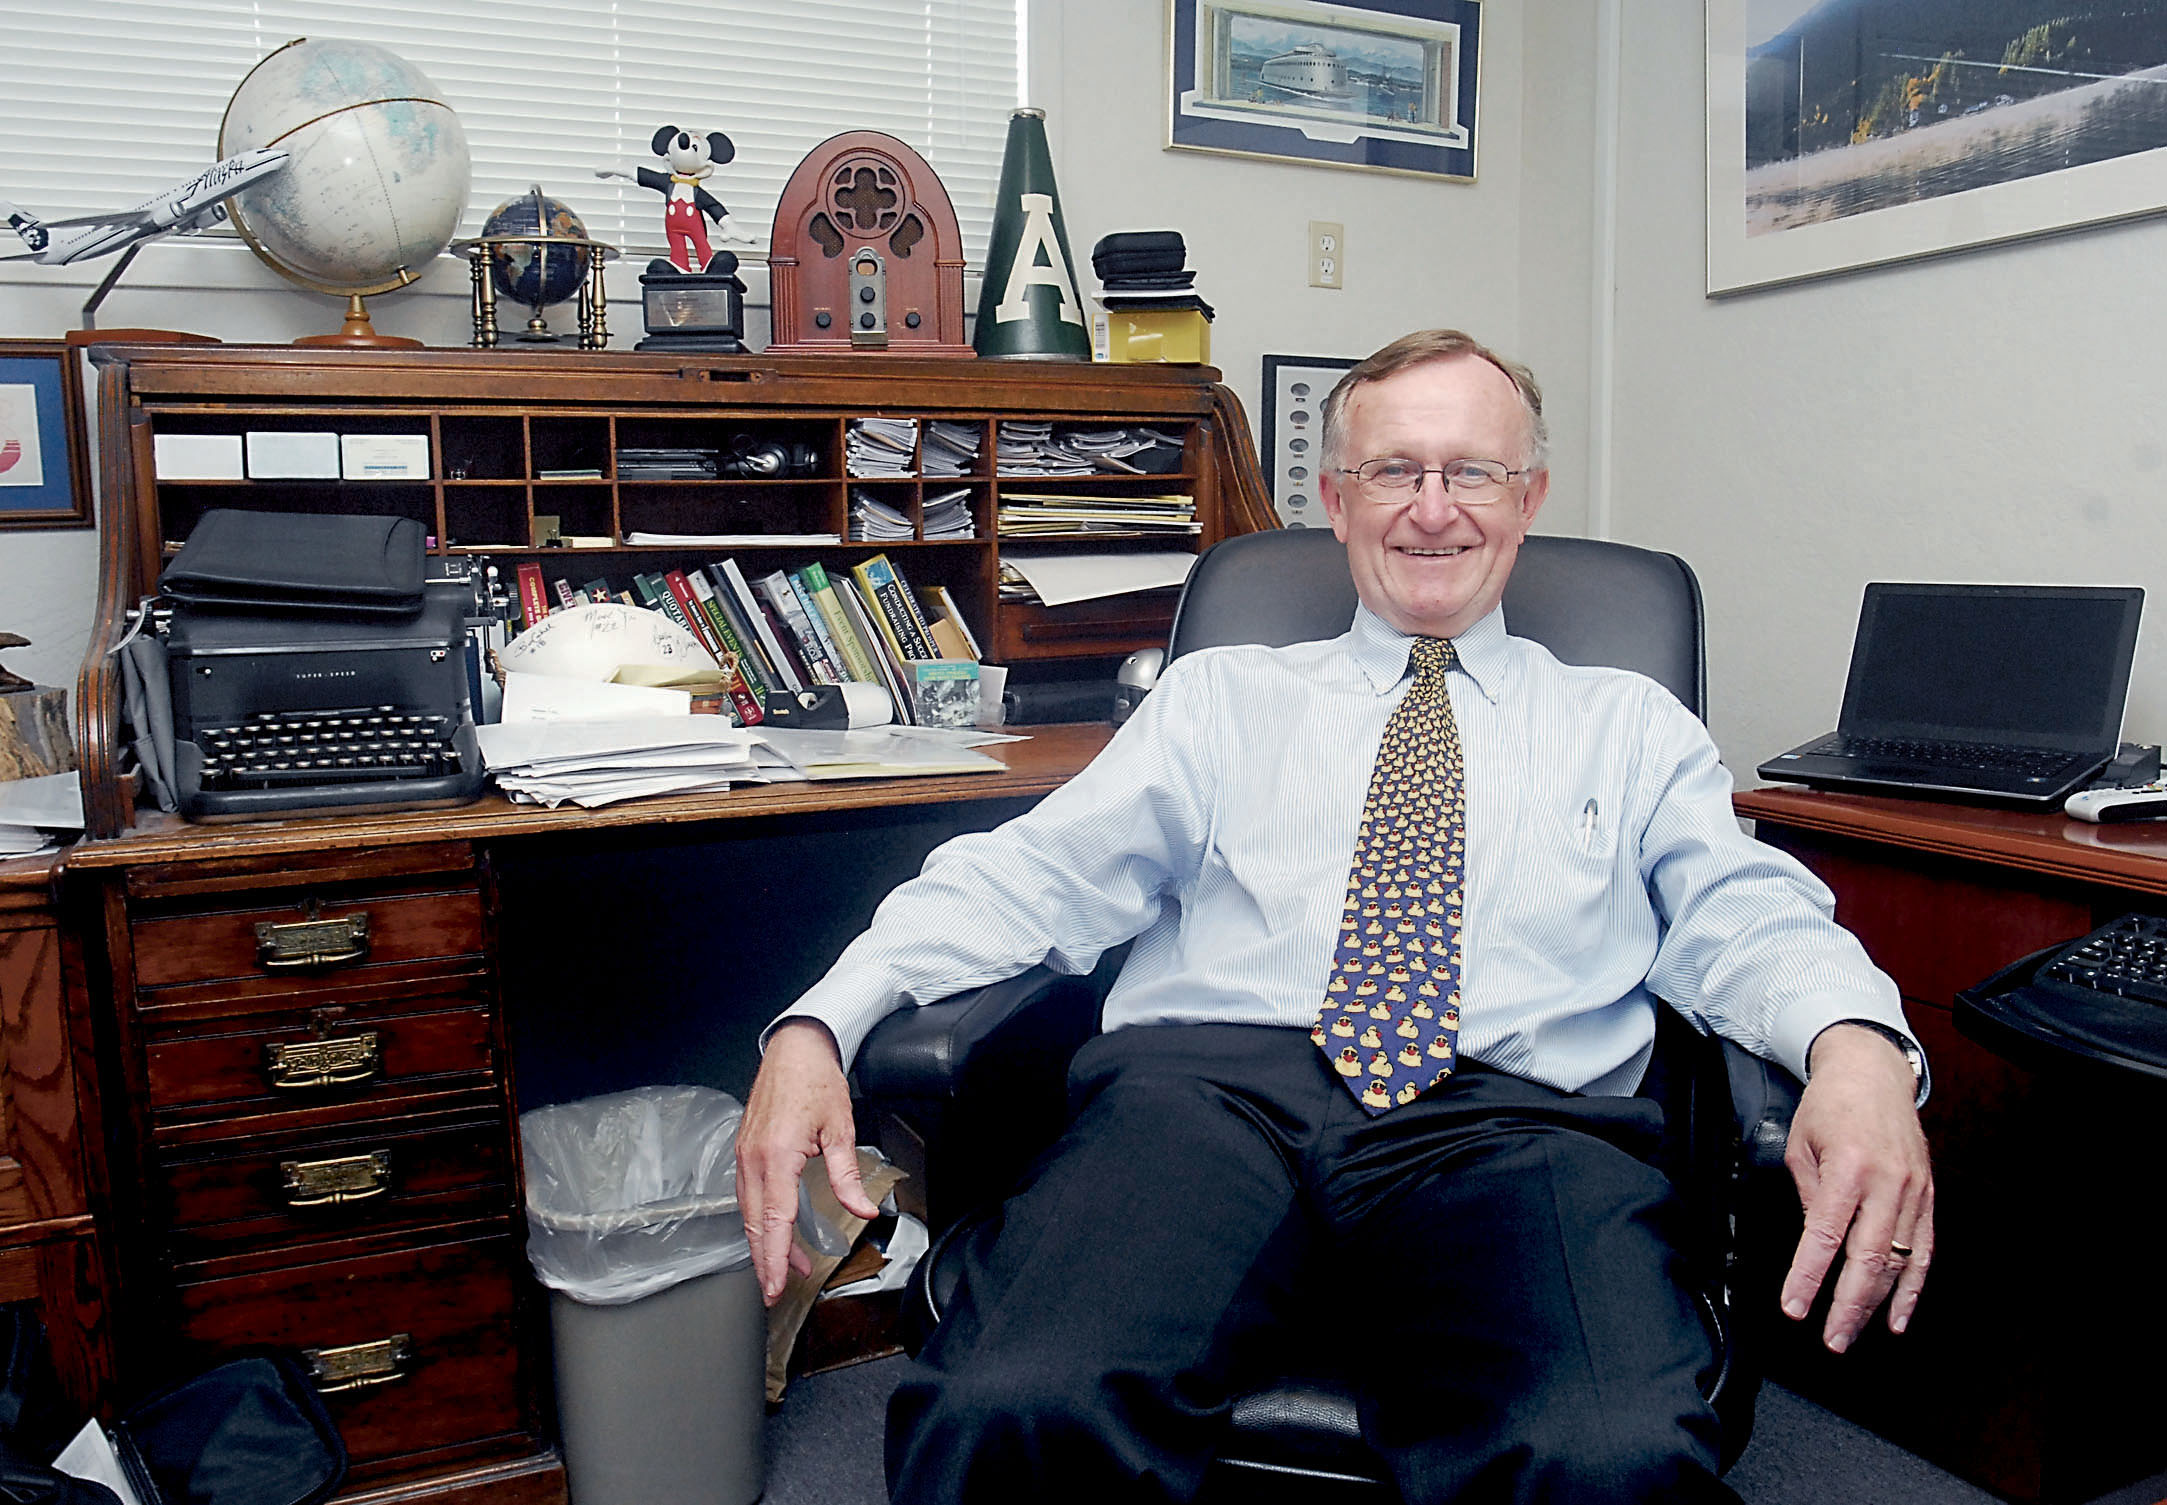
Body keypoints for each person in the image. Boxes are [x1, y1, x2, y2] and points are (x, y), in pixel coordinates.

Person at [737, 329, 1934, 1503]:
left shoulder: (1627, 725)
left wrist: (1855, 1043)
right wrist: (819, 1022)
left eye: (1470, 470)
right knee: (1014, 1404)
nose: (1432, 507)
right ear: (1333, 498)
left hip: (1514, 1121)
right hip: (1203, 1099)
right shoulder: (1220, 698)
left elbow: (1743, 906)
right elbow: (1027, 875)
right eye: (1392, 471)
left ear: (1528, 497)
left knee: (1603, 1452)